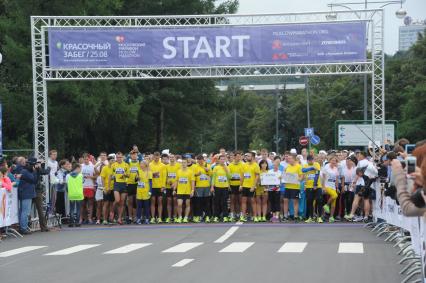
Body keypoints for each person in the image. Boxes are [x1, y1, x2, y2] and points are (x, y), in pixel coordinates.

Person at [283, 154, 304, 222]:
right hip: (287, 187)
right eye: (288, 158)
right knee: (285, 201)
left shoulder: (299, 167)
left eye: (290, 158)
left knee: (295, 202)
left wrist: (298, 179)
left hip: (295, 187)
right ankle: (285, 216)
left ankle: (295, 216)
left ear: (294, 159)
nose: (289, 159)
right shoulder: (287, 167)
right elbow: (284, 176)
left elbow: (301, 177)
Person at [240, 152, 260, 222]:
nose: (247, 157)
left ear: (253, 157)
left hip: (251, 187)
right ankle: (243, 216)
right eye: (246, 156)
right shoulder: (244, 165)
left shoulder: (256, 165)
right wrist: (241, 185)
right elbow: (242, 176)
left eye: (248, 156)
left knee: (253, 201)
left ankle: (255, 216)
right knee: (243, 201)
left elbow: (257, 177)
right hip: (244, 186)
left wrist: (253, 186)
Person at [173, 158, 195, 223]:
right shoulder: (178, 171)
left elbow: (192, 181)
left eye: (185, 163)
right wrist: (174, 189)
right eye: (182, 163)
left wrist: (192, 190)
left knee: (187, 204)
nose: (183, 164)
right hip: (180, 191)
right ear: (181, 164)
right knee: (179, 204)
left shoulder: (191, 171)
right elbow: (176, 181)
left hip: (188, 191)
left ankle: (185, 217)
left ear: (187, 163)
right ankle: (180, 217)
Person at [111, 152, 129, 225]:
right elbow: (111, 175)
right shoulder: (113, 165)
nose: (119, 159)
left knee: (122, 202)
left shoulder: (126, 165)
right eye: (117, 157)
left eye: (120, 157)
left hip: (124, 184)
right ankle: (112, 211)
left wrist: (125, 175)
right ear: (116, 158)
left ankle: (119, 218)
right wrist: (112, 177)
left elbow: (128, 175)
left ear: (122, 157)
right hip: (116, 184)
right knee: (117, 200)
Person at [303, 155, 322, 223]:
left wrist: (315, 184)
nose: (311, 161)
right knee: (309, 202)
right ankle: (310, 217)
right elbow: (303, 170)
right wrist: (311, 168)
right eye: (310, 160)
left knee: (319, 201)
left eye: (312, 160)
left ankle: (319, 217)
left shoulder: (316, 164)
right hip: (308, 186)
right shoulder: (305, 165)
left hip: (317, 186)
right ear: (307, 160)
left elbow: (317, 174)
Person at [211, 155, 231, 223]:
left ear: (225, 160)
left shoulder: (227, 167)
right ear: (219, 160)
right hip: (217, 187)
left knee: (224, 202)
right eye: (221, 159)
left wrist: (226, 170)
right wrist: (212, 186)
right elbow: (213, 177)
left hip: (225, 187)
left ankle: (225, 216)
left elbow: (229, 177)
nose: (222, 160)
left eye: (223, 159)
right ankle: (216, 216)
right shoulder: (216, 167)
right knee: (216, 202)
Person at [193, 155, 211, 223]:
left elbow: (211, 174)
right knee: (198, 202)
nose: (200, 162)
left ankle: (207, 217)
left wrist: (208, 171)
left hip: (207, 186)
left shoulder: (208, 165)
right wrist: (196, 174)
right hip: (199, 187)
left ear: (203, 160)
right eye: (198, 160)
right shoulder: (195, 167)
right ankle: (198, 216)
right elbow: (192, 176)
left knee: (207, 202)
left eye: (201, 160)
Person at [321, 155, 339, 223]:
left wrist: (337, 188)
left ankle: (331, 217)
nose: (334, 161)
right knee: (335, 195)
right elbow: (323, 178)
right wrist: (323, 187)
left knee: (334, 203)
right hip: (327, 185)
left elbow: (336, 179)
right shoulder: (326, 167)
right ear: (330, 160)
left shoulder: (336, 168)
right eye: (332, 160)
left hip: (333, 186)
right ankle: (326, 205)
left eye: (335, 160)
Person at [149, 152, 166, 224]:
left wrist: (163, 186)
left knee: (159, 202)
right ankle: (153, 218)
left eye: (157, 157)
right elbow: (148, 175)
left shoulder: (163, 165)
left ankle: (159, 218)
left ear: (159, 157)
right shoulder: (150, 165)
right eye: (155, 157)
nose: (156, 158)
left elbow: (164, 176)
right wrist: (153, 174)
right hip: (152, 186)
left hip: (160, 186)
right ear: (153, 157)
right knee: (152, 202)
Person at [80, 153, 96, 224]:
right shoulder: (80, 166)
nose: (86, 160)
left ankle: (90, 218)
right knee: (82, 204)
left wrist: (90, 177)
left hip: (90, 186)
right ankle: (82, 218)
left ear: (89, 159)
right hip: (82, 186)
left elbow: (96, 176)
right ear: (83, 159)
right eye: (85, 159)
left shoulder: (92, 166)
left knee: (90, 204)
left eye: (87, 159)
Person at [228, 151, 244, 222]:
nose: (239, 158)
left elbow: (244, 175)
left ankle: (240, 215)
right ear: (234, 157)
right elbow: (228, 176)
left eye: (240, 156)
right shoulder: (230, 165)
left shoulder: (243, 164)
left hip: (240, 185)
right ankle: (232, 215)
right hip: (232, 185)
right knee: (232, 201)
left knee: (240, 201)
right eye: (237, 156)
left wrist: (241, 185)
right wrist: (228, 185)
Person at [67, 163, 84, 228]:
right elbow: (83, 182)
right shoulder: (81, 176)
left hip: (71, 194)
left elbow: (66, 184)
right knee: (78, 209)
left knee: (71, 209)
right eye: (80, 168)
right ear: (77, 168)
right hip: (79, 194)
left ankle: (71, 222)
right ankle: (77, 222)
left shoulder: (68, 175)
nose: (81, 170)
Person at [126, 150, 141, 224]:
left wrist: (137, 151)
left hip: (137, 184)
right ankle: (130, 217)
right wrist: (129, 154)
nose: (134, 156)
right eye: (132, 155)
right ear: (130, 156)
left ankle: (135, 217)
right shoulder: (128, 163)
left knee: (136, 201)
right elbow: (125, 159)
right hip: (130, 183)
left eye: (135, 155)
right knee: (130, 201)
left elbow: (142, 159)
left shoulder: (139, 162)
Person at [165, 154, 180, 223]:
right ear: (169, 158)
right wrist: (168, 181)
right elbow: (165, 175)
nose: (171, 158)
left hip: (176, 186)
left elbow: (180, 175)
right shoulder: (166, 166)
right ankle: (169, 217)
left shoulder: (178, 165)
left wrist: (175, 184)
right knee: (169, 202)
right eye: (170, 157)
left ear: (175, 158)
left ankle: (175, 217)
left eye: (173, 157)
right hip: (168, 186)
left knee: (175, 202)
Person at [100, 155, 115, 224]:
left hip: (114, 188)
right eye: (112, 160)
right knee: (106, 204)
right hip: (106, 188)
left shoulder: (115, 168)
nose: (113, 161)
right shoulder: (105, 168)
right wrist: (104, 188)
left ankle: (111, 218)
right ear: (108, 161)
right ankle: (105, 219)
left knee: (112, 204)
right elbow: (102, 178)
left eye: (113, 160)